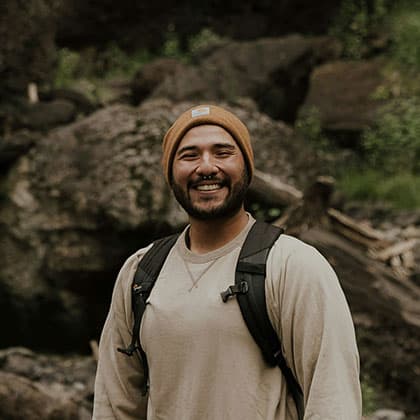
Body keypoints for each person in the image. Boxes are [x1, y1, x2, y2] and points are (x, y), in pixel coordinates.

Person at [93, 104, 362, 420]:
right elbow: (114, 405)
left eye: (223, 153)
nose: (206, 167)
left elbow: (333, 400)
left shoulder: (293, 266)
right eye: (189, 155)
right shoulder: (140, 272)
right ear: (170, 173)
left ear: (246, 167)